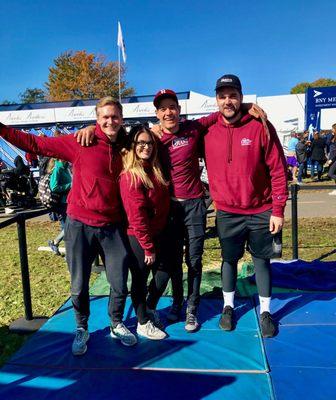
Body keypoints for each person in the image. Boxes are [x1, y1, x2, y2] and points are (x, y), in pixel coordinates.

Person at [76, 91, 265, 333]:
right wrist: (90, 128)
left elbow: (222, 113)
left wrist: (246, 104)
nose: (168, 112)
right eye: (163, 109)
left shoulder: (193, 128)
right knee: (172, 263)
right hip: (169, 208)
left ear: (178, 109)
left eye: (172, 107)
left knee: (194, 260)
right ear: (157, 114)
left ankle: (191, 309)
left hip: (194, 204)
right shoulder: (152, 139)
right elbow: (115, 136)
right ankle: (174, 304)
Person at [0, 96, 137, 355]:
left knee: (119, 282)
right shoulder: (80, 141)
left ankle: (116, 323)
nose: (110, 121)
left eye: (115, 116)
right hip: (79, 224)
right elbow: (35, 143)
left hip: (112, 226)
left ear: (121, 119)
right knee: (79, 283)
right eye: (105, 117)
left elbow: (149, 141)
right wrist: (3, 129)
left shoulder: (126, 146)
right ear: (97, 119)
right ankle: (81, 327)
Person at [203, 74, 288, 338]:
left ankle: (265, 312)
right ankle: (228, 307)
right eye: (222, 96)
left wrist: (278, 210)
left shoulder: (260, 125)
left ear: (241, 96)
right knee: (229, 260)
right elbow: (178, 134)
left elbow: (278, 169)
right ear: (216, 100)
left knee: (262, 260)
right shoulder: (206, 130)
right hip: (228, 211)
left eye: (233, 95)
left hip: (261, 209)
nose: (228, 101)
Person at [119, 125, 170, 340]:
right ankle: (141, 323)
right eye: (140, 142)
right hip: (139, 238)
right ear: (132, 146)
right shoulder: (131, 176)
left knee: (163, 273)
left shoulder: (153, 168)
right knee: (139, 280)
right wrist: (147, 246)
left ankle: (149, 307)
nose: (145, 146)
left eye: (149, 142)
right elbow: (136, 215)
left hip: (158, 233)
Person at [46, 158, 72, 255]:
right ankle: (66, 251)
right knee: (68, 227)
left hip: (68, 202)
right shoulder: (57, 169)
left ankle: (55, 242)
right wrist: (70, 185)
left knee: (68, 227)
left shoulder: (66, 168)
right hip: (61, 203)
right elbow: (54, 187)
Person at [327, 123, 336, 195]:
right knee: (333, 173)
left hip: (334, 158)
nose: (331, 129)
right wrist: (332, 135)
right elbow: (327, 143)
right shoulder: (333, 136)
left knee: (330, 174)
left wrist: (331, 159)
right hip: (332, 157)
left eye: (332, 128)